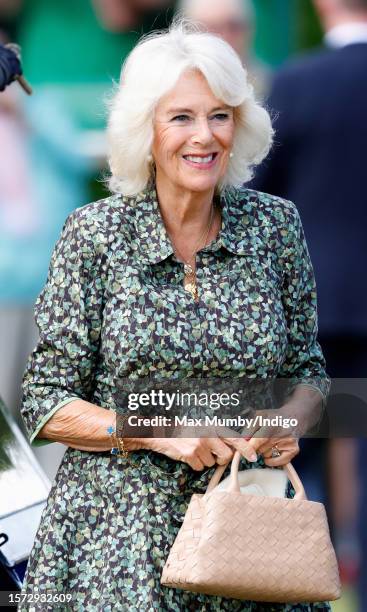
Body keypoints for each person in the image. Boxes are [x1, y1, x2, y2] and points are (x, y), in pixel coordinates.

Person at [19, 20, 330, 611]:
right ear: (147, 131)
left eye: (219, 115)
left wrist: (289, 420)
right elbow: (46, 401)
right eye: (181, 117)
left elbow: (309, 374)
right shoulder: (94, 234)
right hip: (118, 541)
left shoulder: (276, 226)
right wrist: (162, 432)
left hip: (248, 532)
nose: (204, 136)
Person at [249, 0, 367, 601]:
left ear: (324, 7)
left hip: (314, 302)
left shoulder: (296, 81)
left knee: (302, 448)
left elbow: (258, 196)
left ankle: (298, 583)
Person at [179, 0, 270, 100]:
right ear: (188, 33)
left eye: (233, 27)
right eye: (213, 28)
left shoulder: (269, 86)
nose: (224, 37)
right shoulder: (173, 87)